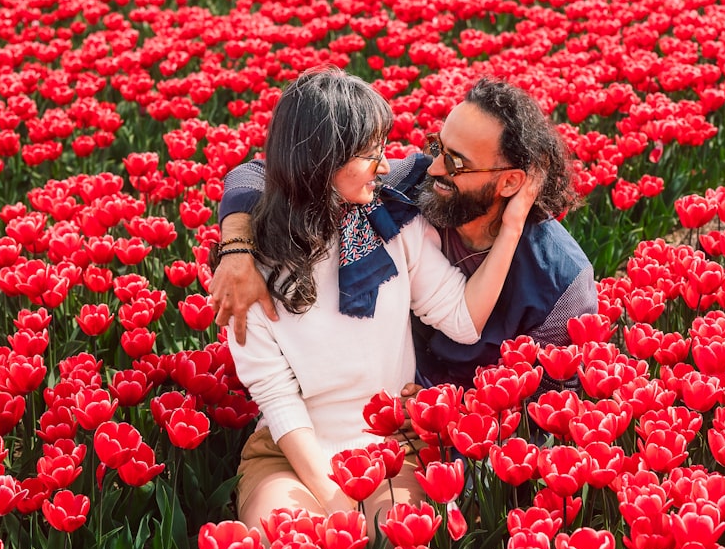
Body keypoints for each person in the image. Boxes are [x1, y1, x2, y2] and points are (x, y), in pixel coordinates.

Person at [218, 68, 537, 549]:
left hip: (392, 442)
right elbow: (276, 397)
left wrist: (513, 224)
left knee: (401, 546)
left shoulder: (393, 227)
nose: (385, 164)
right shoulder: (251, 271)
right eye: (370, 152)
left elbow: (463, 316)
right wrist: (333, 496)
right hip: (289, 453)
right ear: (322, 161)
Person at [212, 77, 598, 392]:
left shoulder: (561, 280)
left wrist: (449, 410)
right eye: (438, 147)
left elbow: (551, 404)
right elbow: (264, 173)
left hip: (477, 446)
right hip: (376, 405)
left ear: (511, 182)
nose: (434, 168)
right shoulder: (405, 187)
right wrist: (236, 249)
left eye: (456, 162)